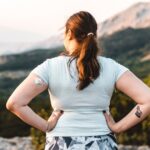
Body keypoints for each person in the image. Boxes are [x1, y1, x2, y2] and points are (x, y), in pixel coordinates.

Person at [6, 11, 150, 150]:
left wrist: (46, 126)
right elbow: (147, 99)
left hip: (61, 143)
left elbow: (15, 103)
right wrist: (119, 127)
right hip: (102, 142)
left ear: (68, 34)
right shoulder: (111, 67)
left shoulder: (49, 67)